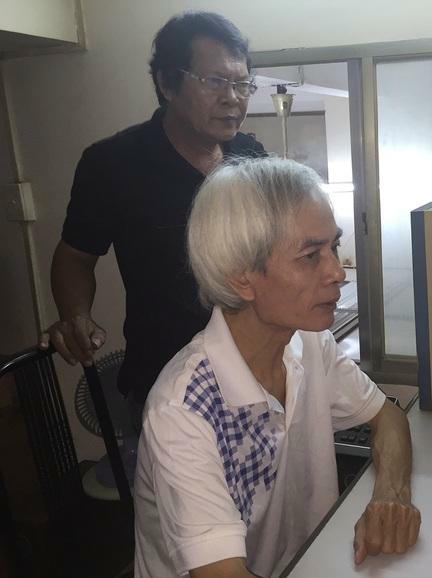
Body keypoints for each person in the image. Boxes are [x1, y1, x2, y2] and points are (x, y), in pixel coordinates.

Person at [133, 157, 421, 578]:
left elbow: (388, 417)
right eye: (310, 256)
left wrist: (390, 495)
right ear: (242, 278)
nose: (337, 272)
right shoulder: (183, 410)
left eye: (334, 247)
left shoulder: (307, 342)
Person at [39, 12, 266, 424]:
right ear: (167, 83)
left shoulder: (251, 156)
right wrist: (77, 315)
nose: (233, 98)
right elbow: (75, 257)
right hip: (167, 382)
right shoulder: (113, 164)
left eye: (242, 83)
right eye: (215, 81)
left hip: (257, 371)